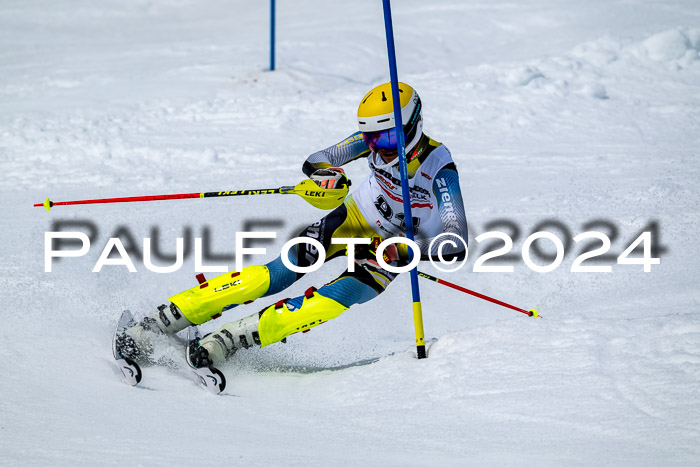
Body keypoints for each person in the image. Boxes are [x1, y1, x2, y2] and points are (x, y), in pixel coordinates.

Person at [116, 82, 468, 368]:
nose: (380, 149)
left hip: (390, 251)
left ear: (413, 125)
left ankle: (231, 339)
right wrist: (326, 176)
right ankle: (164, 318)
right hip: (354, 219)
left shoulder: (439, 168)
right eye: (373, 139)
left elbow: (455, 243)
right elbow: (318, 160)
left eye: (388, 139)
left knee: (333, 299)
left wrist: (407, 250)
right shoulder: (372, 141)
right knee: (278, 273)